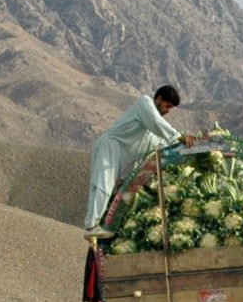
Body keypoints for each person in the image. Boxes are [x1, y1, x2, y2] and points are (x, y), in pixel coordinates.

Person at [84, 85, 199, 234]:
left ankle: (102, 225)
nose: (167, 111)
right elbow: (158, 123)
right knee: (102, 185)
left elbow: (164, 144)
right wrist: (179, 136)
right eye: (167, 105)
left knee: (112, 192)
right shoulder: (144, 103)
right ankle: (91, 226)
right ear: (158, 99)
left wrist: (191, 144)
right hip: (109, 146)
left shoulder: (149, 131)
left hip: (120, 156)